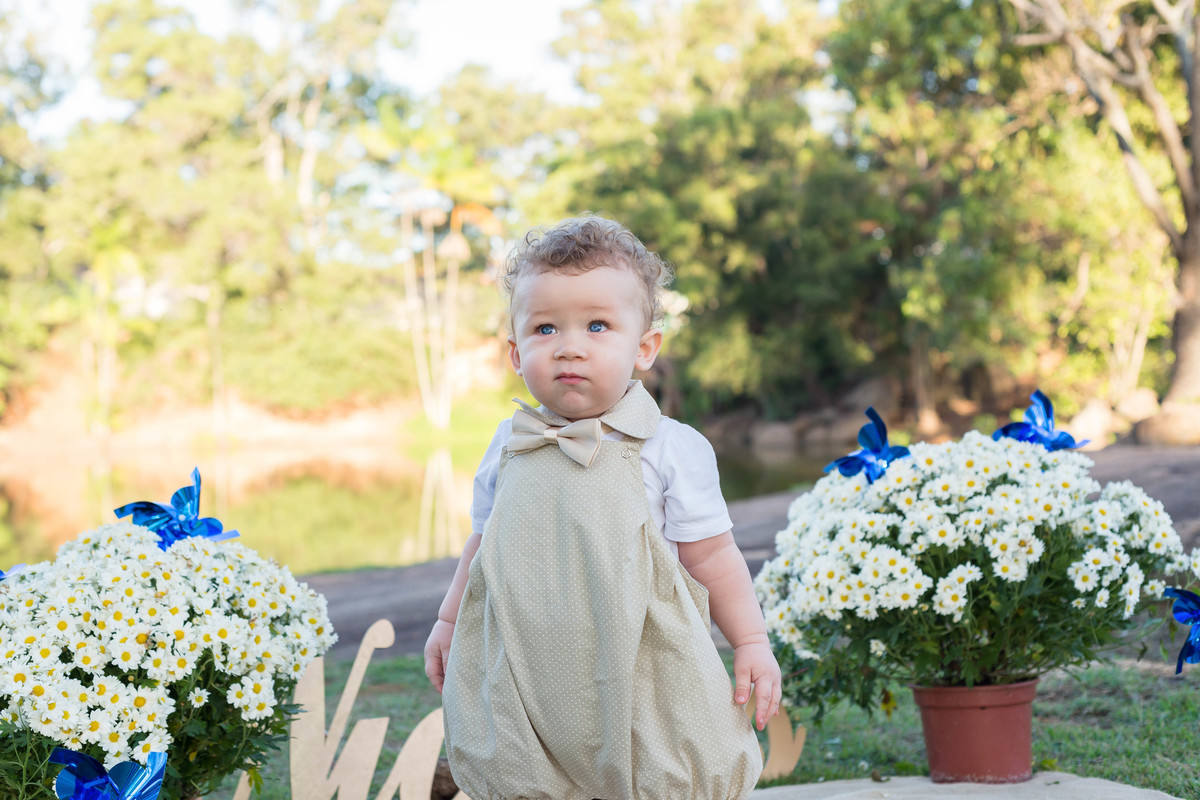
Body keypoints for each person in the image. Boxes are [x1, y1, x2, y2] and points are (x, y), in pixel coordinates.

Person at [424, 215, 780, 800]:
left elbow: (713, 556)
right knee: (521, 765)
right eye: (544, 329)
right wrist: (446, 620)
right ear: (515, 353)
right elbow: (484, 544)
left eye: (596, 325)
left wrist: (750, 641)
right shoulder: (508, 445)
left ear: (644, 348)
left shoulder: (669, 448)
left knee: (654, 764)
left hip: (639, 659)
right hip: (526, 662)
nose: (569, 347)